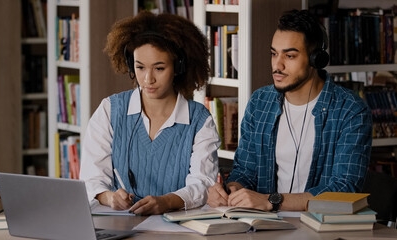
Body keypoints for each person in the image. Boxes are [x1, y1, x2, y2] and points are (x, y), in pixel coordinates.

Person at [207, 9, 372, 212]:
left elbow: (344, 188)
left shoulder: (350, 110)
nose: (277, 65)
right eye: (274, 54)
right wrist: (231, 189)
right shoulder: (260, 102)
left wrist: (272, 200)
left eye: (290, 56)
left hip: (319, 226)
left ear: (316, 60)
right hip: (263, 226)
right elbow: (245, 172)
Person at [80, 11, 220, 215]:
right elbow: (91, 179)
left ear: (178, 67)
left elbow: (202, 185)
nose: (148, 79)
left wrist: (166, 202)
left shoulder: (199, 120)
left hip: (177, 228)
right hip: (118, 223)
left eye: (159, 68)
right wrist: (109, 198)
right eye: (140, 67)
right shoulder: (110, 110)